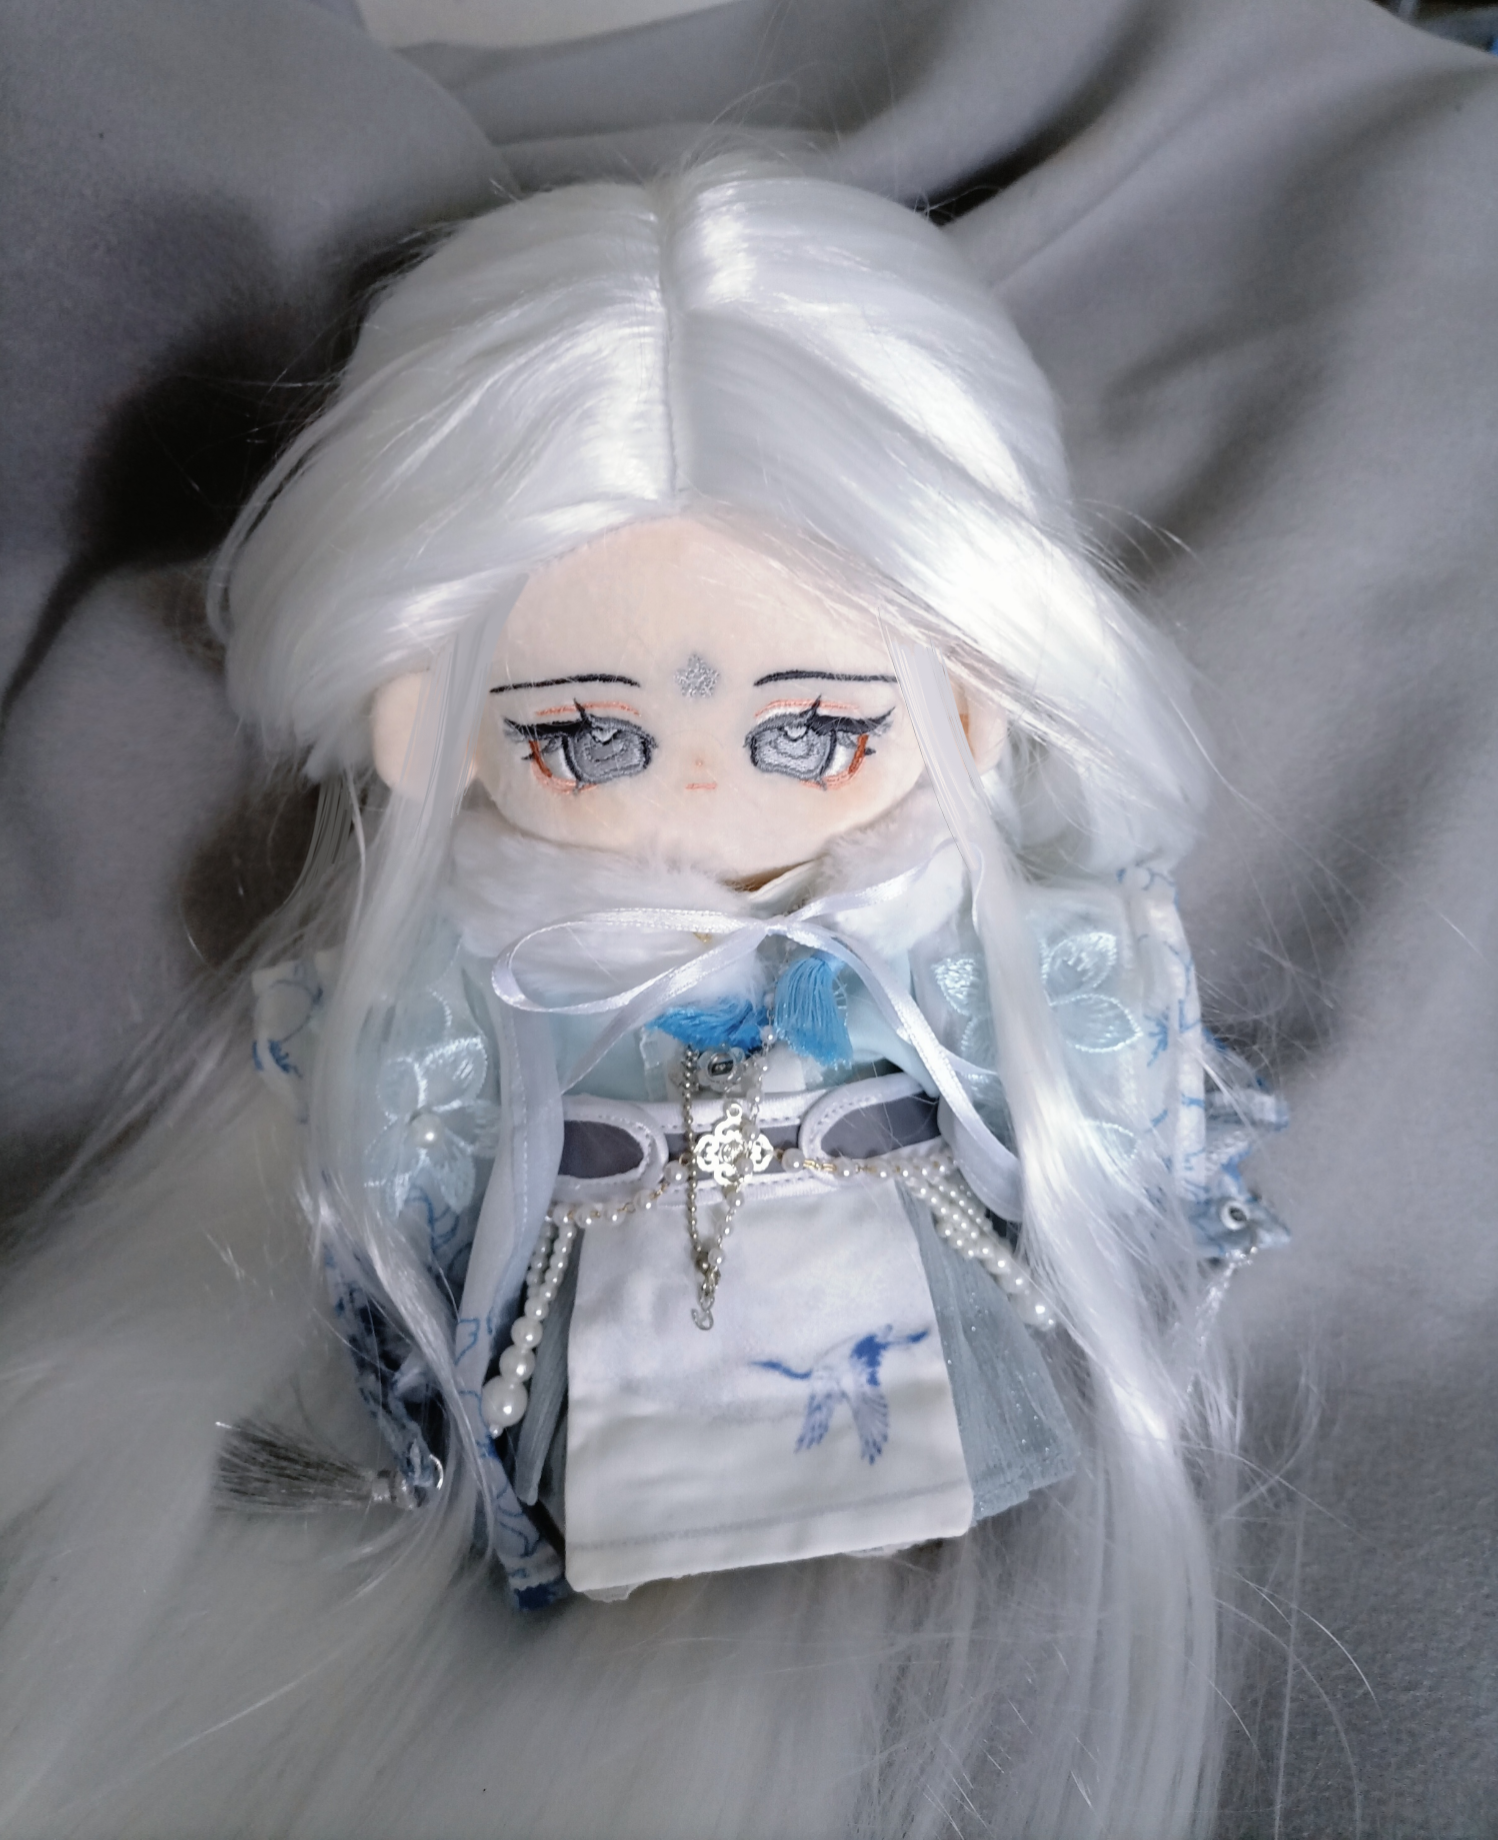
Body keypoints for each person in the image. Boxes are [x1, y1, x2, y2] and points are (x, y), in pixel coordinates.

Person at [1, 160, 1281, 1838]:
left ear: (966, 709)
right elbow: (420, 1137)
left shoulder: (932, 933)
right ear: (425, 729)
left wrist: (1135, 1142)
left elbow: (1079, 1064)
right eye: (586, 736)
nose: (700, 785)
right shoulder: (489, 964)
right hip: (614, 1312)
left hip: (881, 1291)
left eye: (811, 730)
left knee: (896, 1466)